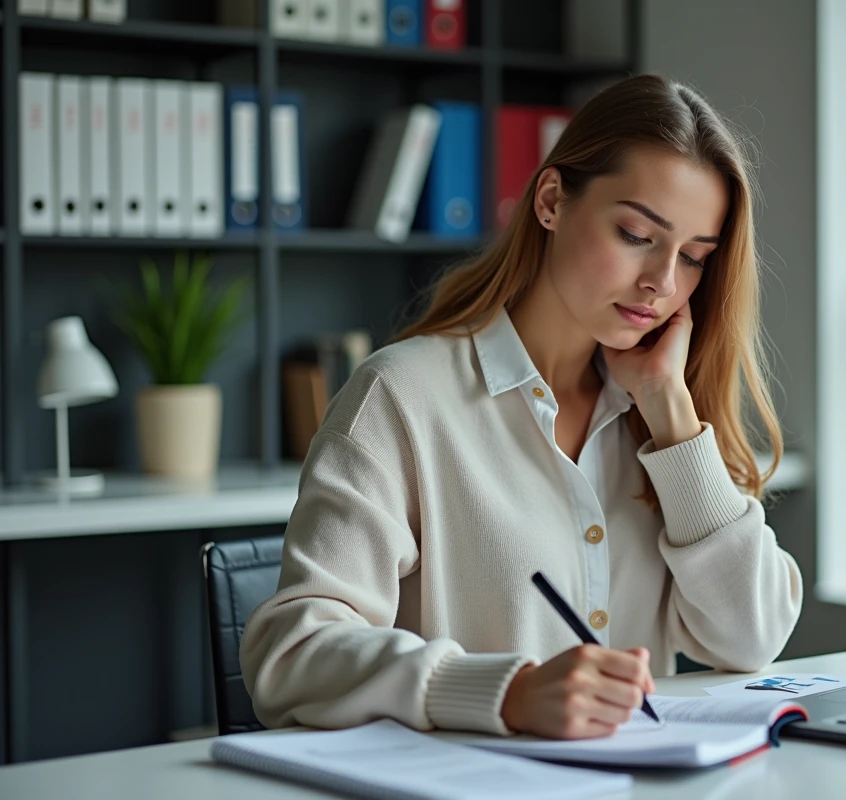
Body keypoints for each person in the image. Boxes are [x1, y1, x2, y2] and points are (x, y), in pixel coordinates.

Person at [241, 73, 803, 741]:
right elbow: (290, 654)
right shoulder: (402, 397)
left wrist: (672, 414)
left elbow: (753, 638)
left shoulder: (657, 416)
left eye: (693, 258)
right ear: (551, 200)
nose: (661, 282)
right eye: (635, 234)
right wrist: (504, 693)